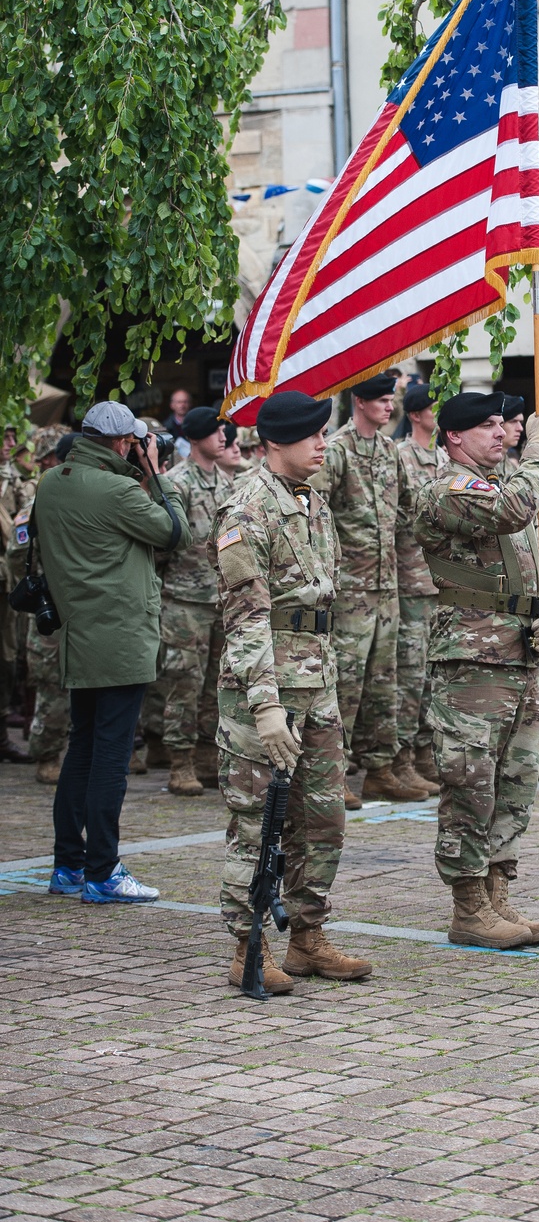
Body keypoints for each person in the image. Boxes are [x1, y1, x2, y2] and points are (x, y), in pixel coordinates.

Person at [211, 390, 369, 992]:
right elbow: (246, 616)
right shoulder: (247, 511)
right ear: (276, 442)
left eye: (325, 434)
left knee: (322, 816)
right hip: (266, 686)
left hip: (317, 682)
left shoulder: (313, 502)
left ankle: (307, 936)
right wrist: (267, 704)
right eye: (312, 436)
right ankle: (247, 945)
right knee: (256, 821)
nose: (323, 445)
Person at [413, 393, 539, 949]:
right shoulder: (449, 490)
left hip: (519, 656)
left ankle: (499, 893)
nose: (501, 433)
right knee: (471, 784)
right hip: (472, 659)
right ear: (453, 437)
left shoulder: (506, 489)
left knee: (515, 785)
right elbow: (515, 510)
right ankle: (469, 905)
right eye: (487, 426)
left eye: (504, 424)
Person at [35, 402, 191, 903]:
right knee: (110, 757)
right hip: (121, 637)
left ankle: (68, 865)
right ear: (124, 443)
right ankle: (104, 871)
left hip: (79, 634)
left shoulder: (53, 481)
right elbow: (175, 532)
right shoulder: (120, 489)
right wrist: (155, 473)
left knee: (81, 749)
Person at [314, 372, 424, 804]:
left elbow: (406, 512)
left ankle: (381, 767)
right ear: (358, 401)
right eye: (380, 399)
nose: (388, 406)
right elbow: (318, 518)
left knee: (384, 683)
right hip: (350, 592)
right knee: (345, 684)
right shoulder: (336, 451)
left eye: (390, 400)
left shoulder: (388, 451)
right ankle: (332, 772)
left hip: (387, 585)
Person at [154, 408, 232, 798]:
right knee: (183, 683)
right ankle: (180, 761)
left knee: (216, 685)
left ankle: (205, 754)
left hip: (219, 600)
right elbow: (161, 546)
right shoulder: (175, 483)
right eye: (216, 431)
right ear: (196, 437)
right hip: (184, 600)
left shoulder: (226, 481)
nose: (223, 436)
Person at [7, 428, 73, 782]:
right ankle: (47, 755)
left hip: (82, 607)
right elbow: (17, 554)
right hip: (51, 609)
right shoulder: (39, 501)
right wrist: (38, 588)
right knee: (50, 685)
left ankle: (73, 753)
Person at [395, 382, 448, 792]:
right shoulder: (402, 458)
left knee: (435, 677)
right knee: (410, 677)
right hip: (410, 582)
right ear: (415, 414)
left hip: (442, 583)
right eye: (433, 406)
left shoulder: (445, 458)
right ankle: (401, 760)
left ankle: (428, 755)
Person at [0, 422, 34, 763]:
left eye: (13, 437)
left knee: (8, 655)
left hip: (5, 577)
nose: (11, 443)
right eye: (6, 437)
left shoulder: (14, 480)